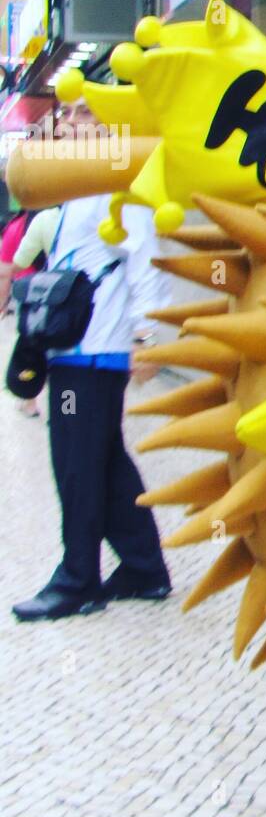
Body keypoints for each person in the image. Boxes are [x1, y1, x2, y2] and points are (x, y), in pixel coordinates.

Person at [11, 131, 173, 622]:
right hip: (71, 355)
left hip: (90, 359)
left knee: (75, 463)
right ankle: (145, 569)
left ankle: (78, 580)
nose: (75, 126)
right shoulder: (76, 192)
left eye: (87, 116)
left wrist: (147, 335)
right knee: (104, 461)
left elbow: (147, 260)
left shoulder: (117, 189)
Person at [0, 206, 59, 416]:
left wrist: (2, 303)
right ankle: (64, 410)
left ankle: (29, 401)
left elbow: (5, 271)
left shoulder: (18, 225)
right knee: (60, 359)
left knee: (29, 354)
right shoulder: (68, 217)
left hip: (31, 303)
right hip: (66, 300)